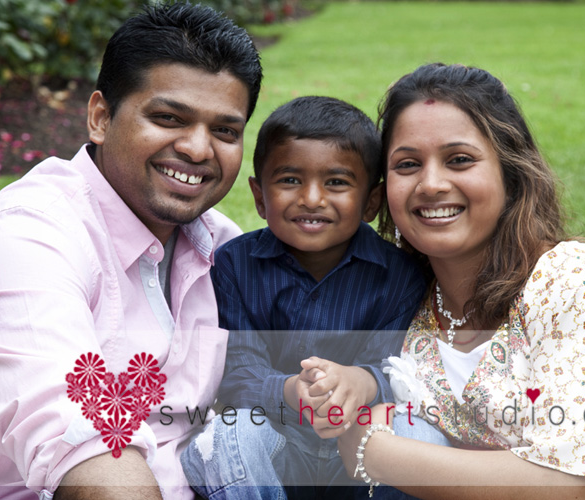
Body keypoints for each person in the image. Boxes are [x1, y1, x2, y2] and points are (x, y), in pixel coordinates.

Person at [0, 4, 262, 499]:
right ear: (100, 116)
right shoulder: (27, 240)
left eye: (224, 131)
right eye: (168, 117)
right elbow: (92, 456)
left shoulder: (221, 245)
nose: (199, 150)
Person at [335, 63, 585, 499]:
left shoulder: (581, 281)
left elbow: (576, 488)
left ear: (511, 171)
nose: (430, 184)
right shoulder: (402, 298)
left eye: (459, 160)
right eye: (407, 164)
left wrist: (376, 452)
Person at [181, 96, 427, 499]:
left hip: (359, 446)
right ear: (260, 198)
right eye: (290, 180)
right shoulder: (234, 266)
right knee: (229, 435)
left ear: (371, 202)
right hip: (273, 451)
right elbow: (236, 372)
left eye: (336, 182)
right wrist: (293, 391)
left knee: (416, 429)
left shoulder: (400, 274)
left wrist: (360, 382)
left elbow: (402, 369)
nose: (312, 198)